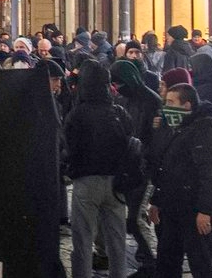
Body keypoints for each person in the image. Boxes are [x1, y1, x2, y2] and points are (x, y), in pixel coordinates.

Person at [149, 83, 212, 278]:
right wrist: (156, 201)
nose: (166, 107)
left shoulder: (206, 129)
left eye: (171, 103)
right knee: (167, 263)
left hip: (193, 210)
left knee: (200, 264)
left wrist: (205, 210)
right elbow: (164, 167)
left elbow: (211, 172)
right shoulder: (175, 127)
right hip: (171, 208)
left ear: (187, 105)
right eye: (166, 102)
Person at [64, 61, 130, 278]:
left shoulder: (78, 114)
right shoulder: (117, 111)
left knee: (82, 240)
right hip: (116, 183)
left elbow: (70, 147)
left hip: (86, 181)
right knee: (117, 240)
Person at [113, 59, 161, 276]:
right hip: (131, 167)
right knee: (134, 218)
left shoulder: (151, 100)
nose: (117, 87)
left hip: (147, 168)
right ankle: (147, 257)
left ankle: (153, 260)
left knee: (136, 217)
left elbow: (155, 136)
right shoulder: (124, 99)